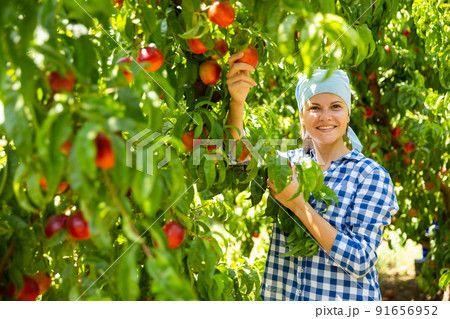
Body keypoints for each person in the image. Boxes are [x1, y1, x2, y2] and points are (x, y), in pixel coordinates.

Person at [225, 54, 399, 301]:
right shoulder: (285, 163)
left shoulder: (370, 175)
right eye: (314, 108)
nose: (325, 116)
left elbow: (361, 259)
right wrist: (237, 103)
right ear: (302, 117)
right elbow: (234, 155)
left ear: (348, 115)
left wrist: (298, 205)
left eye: (336, 107)